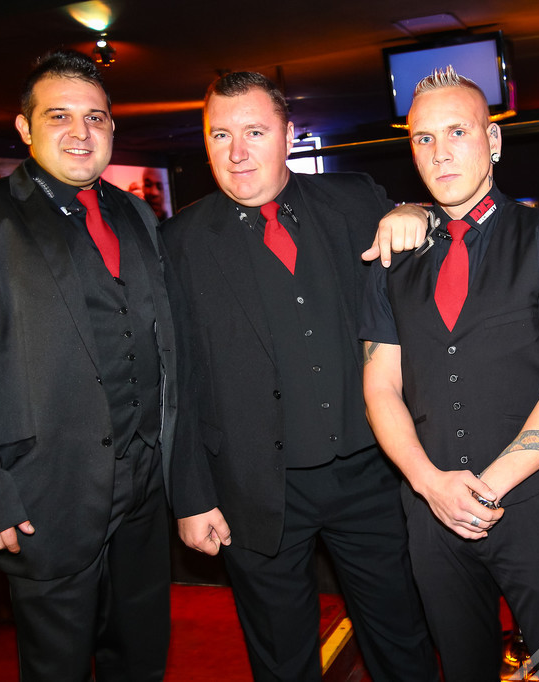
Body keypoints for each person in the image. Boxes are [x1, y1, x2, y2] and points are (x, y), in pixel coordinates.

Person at [0, 50, 179, 680]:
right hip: (46, 492)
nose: (80, 132)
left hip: (145, 485)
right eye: (59, 116)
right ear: (24, 128)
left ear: (111, 128)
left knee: (142, 655)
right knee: (57, 666)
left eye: (95, 117)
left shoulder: (135, 214)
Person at [160, 71, 437, 682]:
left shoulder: (355, 198)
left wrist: (415, 210)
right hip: (252, 485)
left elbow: (428, 236)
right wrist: (192, 495)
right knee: (281, 658)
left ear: (289, 137)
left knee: (401, 637)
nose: (237, 152)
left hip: (369, 471)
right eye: (221, 135)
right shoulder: (178, 242)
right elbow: (175, 381)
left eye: (255, 132)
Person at [360, 66, 539, 682]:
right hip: (430, 510)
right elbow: (379, 386)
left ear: (493, 141)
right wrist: (429, 485)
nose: (440, 152)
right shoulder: (391, 259)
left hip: (536, 507)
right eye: (423, 138)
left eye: (458, 132)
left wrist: (484, 490)